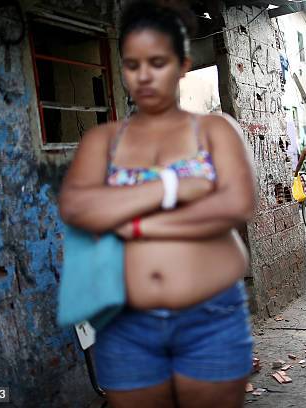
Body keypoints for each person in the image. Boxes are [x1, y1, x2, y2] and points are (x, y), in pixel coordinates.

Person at [58, 2, 256, 407]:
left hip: (211, 316)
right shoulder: (102, 142)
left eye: (158, 62)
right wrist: (170, 187)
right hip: (126, 323)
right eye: (132, 65)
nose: (144, 76)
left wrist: (134, 224)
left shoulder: (215, 130)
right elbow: (78, 207)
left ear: (182, 64)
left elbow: (236, 204)